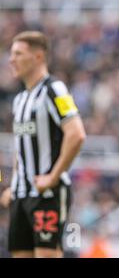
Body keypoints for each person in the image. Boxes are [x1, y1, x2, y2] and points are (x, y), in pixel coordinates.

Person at [0, 31, 86, 258]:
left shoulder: (54, 89)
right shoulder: (19, 99)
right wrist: (14, 184)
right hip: (21, 194)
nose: (11, 60)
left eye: (18, 54)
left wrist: (53, 176)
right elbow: (22, 148)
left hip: (47, 194)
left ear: (38, 57)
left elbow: (76, 134)